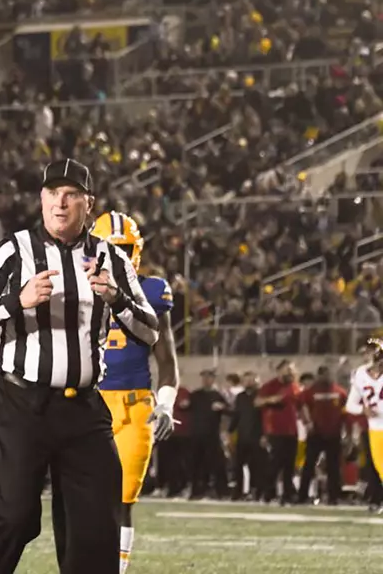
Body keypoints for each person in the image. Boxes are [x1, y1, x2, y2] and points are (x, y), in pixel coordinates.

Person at [0, 159, 160, 574]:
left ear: (88, 203)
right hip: (22, 402)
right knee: (13, 517)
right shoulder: (13, 250)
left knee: (96, 525)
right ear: (41, 199)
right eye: (52, 194)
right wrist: (17, 301)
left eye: (71, 195)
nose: (60, 203)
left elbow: (149, 330)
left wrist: (116, 298)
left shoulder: (111, 258)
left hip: (84, 407)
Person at [86, 211, 179, 573]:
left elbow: (167, 360)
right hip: (88, 405)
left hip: (133, 406)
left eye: (124, 248)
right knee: (84, 500)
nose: (118, 256)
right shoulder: (75, 287)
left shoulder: (151, 291)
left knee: (123, 498)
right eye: (112, 248)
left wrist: (166, 404)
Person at [257, 360, 307, 504]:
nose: (290, 373)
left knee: (289, 465)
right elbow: (257, 402)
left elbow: (301, 406)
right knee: (275, 463)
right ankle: (268, 493)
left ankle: (287, 495)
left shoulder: (295, 387)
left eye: (291, 370)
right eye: (287, 370)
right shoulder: (270, 386)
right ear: (279, 371)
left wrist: (307, 422)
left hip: (292, 431)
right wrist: (272, 399)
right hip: (275, 430)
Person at [299, 364, 348, 504]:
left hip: (334, 433)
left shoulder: (340, 392)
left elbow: (345, 412)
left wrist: (346, 431)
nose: (326, 377)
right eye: (323, 374)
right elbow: (303, 406)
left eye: (327, 374)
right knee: (309, 464)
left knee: (334, 466)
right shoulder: (310, 392)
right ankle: (302, 495)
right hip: (316, 433)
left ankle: (334, 497)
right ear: (318, 376)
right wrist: (308, 423)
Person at [345, 337, 383, 513]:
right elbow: (350, 405)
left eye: (370, 352)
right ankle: (377, 500)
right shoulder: (360, 374)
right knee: (378, 468)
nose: (366, 355)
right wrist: (363, 410)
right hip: (375, 428)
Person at [186, 370, 230, 499]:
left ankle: (219, 491)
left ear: (213, 379)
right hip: (196, 434)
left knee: (216, 463)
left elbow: (230, 410)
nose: (206, 380)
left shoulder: (218, 395)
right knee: (196, 464)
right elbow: (186, 408)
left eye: (209, 377)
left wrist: (222, 407)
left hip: (212, 435)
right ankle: (196, 491)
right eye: (204, 377)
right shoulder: (195, 395)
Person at [229, 371, 266, 501]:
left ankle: (256, 491)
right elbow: (236, 415)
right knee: (238, 465)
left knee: (256, 466)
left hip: (257, 436)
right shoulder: (240, 397)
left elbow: (265, 417)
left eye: (252, 379)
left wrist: (265, 435)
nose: (249, 382)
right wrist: (230, 432)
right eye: (246, 380)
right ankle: (238, 492)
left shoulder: (262, 396)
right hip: (242, 436)